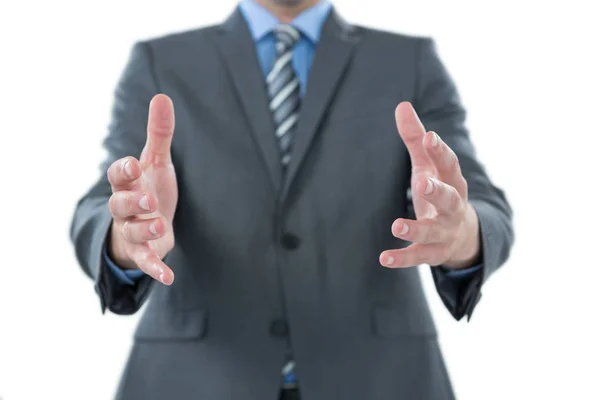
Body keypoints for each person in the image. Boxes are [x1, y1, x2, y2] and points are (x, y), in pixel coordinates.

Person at [70, 0, 514, 398]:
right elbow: (99, 205)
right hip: (196, 378)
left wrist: (463, 235)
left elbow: (481, 204)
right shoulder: (160, 62)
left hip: (379, 379)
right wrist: (125, 239)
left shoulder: (409, 61)